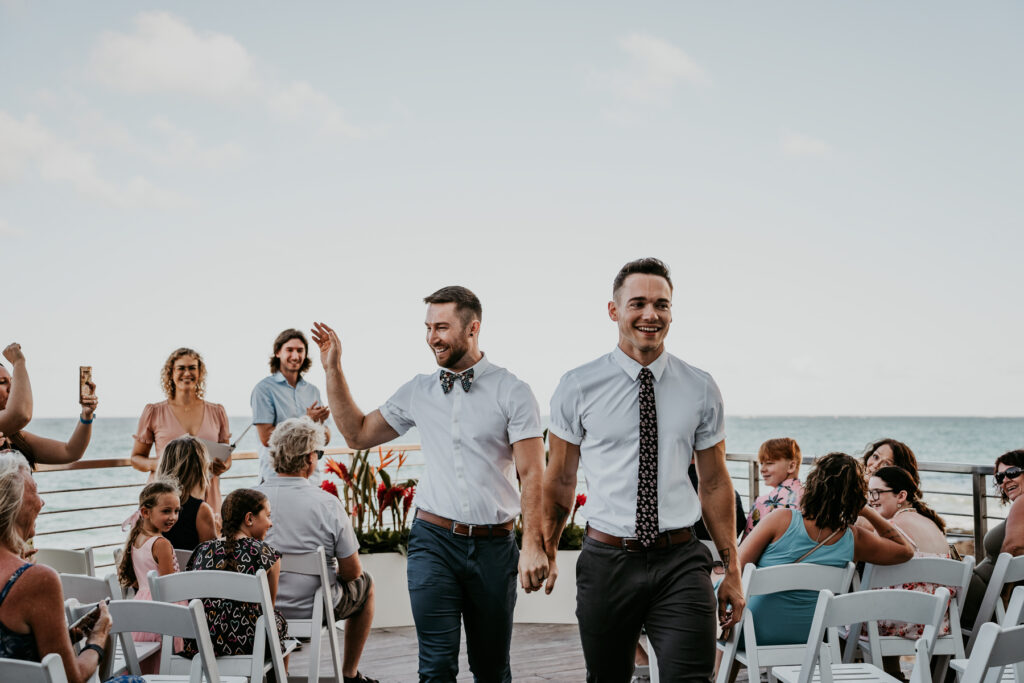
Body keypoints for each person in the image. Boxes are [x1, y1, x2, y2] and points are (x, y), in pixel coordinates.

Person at [312, 284, 547, 683]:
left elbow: (533, 474)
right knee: (436, 666)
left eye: (441, 327)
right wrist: (333, 369)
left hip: (494, 546)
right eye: (428, 327)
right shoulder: (418, 390)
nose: (431, 338)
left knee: (492, 667)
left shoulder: (513, 391)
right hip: (433, 542)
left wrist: (534, 546)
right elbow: (357, 434)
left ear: (473, 328)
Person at [542, 257, 743, 683]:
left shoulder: (700, 387)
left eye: (662, 305)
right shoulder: (577, 386)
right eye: (638, 303)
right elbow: (559, 479)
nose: (651, 314)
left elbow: (714, 481)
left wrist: (733, 569)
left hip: (681, 559)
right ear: (614, 311)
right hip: (607, 561)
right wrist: (546, 549)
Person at [736, 453, 914, 653]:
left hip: (751, 632)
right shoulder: (853, 538)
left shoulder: (780, 519)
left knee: (720, 598)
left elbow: (736, 568)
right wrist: (867, 511)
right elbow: (905, 550)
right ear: (856, 496)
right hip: (809, 638)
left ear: (813, 483)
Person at [0, 450, 144, 683]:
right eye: (35, 491)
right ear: (12, 505)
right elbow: (70, 678)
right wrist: (97, 637)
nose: (42, 502)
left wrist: (65, 636)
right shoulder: (34, 579)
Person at [255, 416, 377, 683]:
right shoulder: (327, 504)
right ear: (310, 458)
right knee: (366, 585)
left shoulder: (248, 499)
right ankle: (349, 675)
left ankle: (278, 674)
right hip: (314, 607)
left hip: (260, 608)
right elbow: (352, 571)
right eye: (318, 454)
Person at [864, 465, 951, 676]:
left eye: (877, 492)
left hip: (909, 618)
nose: (871, 499)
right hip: (939, 619)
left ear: (901, 495)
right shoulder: (932, 524)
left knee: (845, 617)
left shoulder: (893, 527)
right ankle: (895, 677)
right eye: (868, 493)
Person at [183, 488, 288, 660]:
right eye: (268, 516)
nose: (270, 523)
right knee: (278, 622)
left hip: (201, 642)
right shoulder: (268, 555)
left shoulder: (201, 550)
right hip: (247, 642)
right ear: (249, 518)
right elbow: (268, 610)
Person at [130, 348, 231, 512]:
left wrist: (222, 466)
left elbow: (227, 457)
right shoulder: (154, 411)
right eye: (181, 368)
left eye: (192, 368)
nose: (187, 373)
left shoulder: (217, 411)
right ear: (171, 373)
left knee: (207, 536)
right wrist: (165, 463)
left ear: (200, 373)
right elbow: (136, 459)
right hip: (165, 495)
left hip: (207, 493)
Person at [116, 479, 182, 672]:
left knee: (148, 665)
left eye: (176, 511)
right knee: (162, 663)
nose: (173, 517)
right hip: (162, 605)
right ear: (145, 512)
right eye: (166, 511)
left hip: (142, 604)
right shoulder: (161, 543)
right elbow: (168, 585)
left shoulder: (137, 538)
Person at [251, 329, 331, 484]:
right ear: (277, 353)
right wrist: (308, 420)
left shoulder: (313, 391)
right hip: (275, 480)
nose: (295, 356)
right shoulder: (263, 389)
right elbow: (266, 438)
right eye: (289, 350)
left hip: (311, 480)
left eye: (300, 351)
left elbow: (325, 439)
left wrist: (319, 424)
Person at [0, 343, 98, 467]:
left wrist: (86, 415)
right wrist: (19, 362)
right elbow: (21, 414)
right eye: (2, 382)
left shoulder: (17, 438)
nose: (12, 388)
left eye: (13, 381)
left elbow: (70, 452)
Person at [963, 449, 1024, 627]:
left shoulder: (1022, 502)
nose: (1005, 480)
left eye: (1012, 472)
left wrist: (1002, 594)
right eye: (1000, 477)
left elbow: (1014, 548)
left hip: (990, 593)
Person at [155, 436, 217, 551]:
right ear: (199, 469)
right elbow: (211, 558)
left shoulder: (150, 504)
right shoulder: (201, 510)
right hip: (188, 569)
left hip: (155, 569)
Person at [742, 437, 803, 540]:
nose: (762, 469)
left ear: (791, 466)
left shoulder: (763, 503)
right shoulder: (811, 496)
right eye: (761, 463)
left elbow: (746, 543)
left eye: (769, 463)